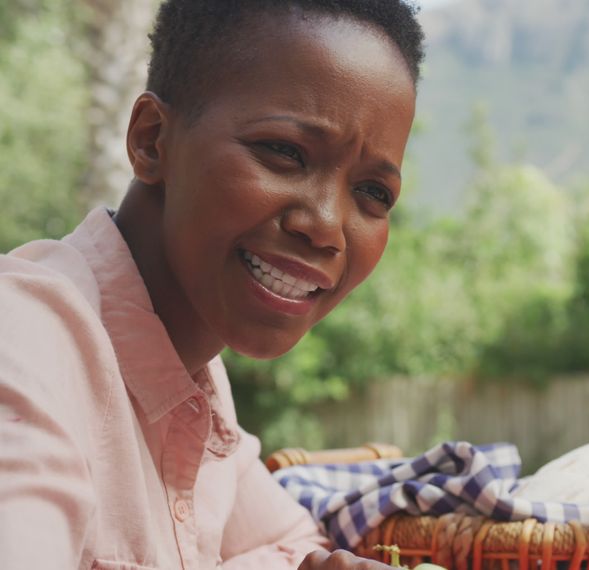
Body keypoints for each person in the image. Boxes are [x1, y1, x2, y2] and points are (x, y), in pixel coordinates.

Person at [0, 1, 424, 568]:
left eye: (373, 192)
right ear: (152, 140)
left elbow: (295, 548)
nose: (326, 226)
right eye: (285, 152)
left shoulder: (196, 387)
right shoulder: (27, 343)